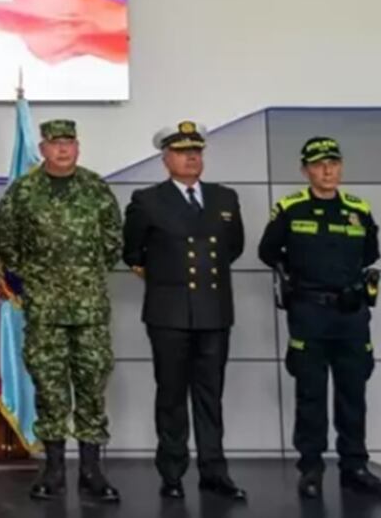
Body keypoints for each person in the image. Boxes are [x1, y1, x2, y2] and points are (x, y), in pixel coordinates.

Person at [257, 137, 381, 500]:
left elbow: (370, 253)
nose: (328, 170)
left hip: (351, 317)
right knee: (311, 395)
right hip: (309, 315)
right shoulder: (290, 209)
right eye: (319, 164)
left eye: (334, 162)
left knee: (353, 394)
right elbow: (268, 252)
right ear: (305, 170)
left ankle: (355, 467)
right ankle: (311, 469)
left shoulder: (359, 209)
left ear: (341, 166)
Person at [0, 119, 122, 502]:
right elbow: (8, 243)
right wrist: (35, 282)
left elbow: (113, 243)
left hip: (90, 309)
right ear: (44, 148)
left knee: (92, 385)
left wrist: (83, 279)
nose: (63, 150)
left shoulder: (96, 188)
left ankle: (91, 470)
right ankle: (52, 471)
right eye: (55, 143)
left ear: (78, 147)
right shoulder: (23, 192)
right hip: (45, 309)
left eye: (69, 143)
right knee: (49, 389)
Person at [121, 121, 246, 501]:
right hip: (169, 313)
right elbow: (132, 251)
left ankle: (214, 471)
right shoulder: (148, 200)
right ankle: (172, 473)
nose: (192, 157)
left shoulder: (224, 198)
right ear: (165, 158)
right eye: (182, 151)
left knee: (210, 396)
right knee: (171, 396)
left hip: (214, 312)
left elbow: (233, 248)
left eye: (197, 151)